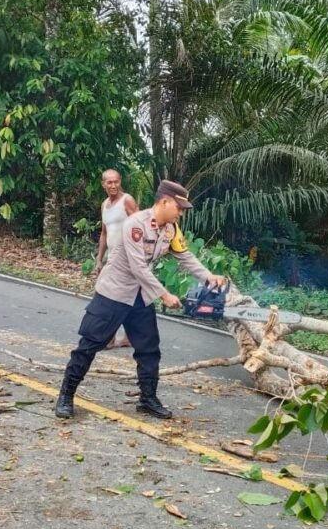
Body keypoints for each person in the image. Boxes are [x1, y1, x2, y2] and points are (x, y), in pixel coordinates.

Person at [56, 180, 227, 420]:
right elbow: (138, 267)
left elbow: (185, 257)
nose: (180, 213)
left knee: (149, 349)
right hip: (114, 292)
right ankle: (66, 396)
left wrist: (209, 276)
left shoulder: (171, 230)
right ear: (165, 202)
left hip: (140, 295)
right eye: (179, 208)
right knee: (90, 344)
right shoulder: (135, 224)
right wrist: (164, 294)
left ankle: (147, 399)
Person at [95, 169, 137, 348]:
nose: (113, 185)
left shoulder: (127, 200)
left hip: (127, 259)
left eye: (116, 182)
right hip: (112, 257)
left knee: (111, 295)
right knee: (123, 296)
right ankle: (128, 337)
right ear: (103, 184)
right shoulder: (104, 205)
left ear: (120, 182)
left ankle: (110, 338)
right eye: (109, 182)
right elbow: (104, 233)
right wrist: (99, 258)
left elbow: (139, 226)